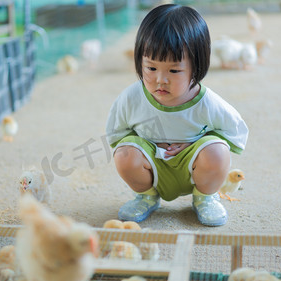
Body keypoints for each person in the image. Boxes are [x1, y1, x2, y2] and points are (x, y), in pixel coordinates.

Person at [105, 4, 248, 226]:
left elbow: (236, 130)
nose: (161, 79)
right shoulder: (132, 98)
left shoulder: (207, 102)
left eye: (173, 70)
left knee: (218, 152)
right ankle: (146, 196)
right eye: (151, 68)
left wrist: (196, 142)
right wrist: (147, 143)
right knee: (123, 154)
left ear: (197, 67)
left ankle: (205, 198)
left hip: (193, 164)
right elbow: (116, 132)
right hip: (152, 165)